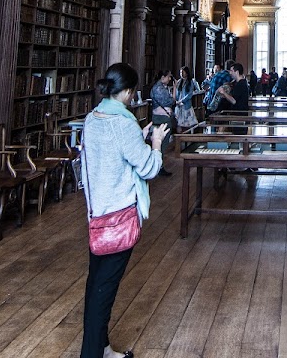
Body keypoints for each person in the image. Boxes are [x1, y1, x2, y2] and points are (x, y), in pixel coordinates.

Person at [80, 63, 168, 358]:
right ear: (128, 91)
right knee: (104, 290)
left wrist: (138, 138)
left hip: (97, 211)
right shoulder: (123, 123)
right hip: (119, 215)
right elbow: (148, 168)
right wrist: (155, 144)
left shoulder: (93, 118)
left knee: (96, 284)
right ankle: (91, 354)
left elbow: (109, 155)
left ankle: (101, 348)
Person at [150, 68, 177, 177]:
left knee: (162, 143)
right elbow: (171, 101)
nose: (170, 78)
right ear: (163, 77)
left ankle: (158, 166)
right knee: (162, 143)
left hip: (161, 117)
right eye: (168, 76)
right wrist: (175, 89)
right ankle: (158, 166)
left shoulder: (159, 88)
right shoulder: (159, 89)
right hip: (162, 118)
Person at [175, 65, 200, 132]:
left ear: (186, 73)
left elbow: (190, 94)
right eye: (180, 72)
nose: (181, 74)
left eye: (183, 72)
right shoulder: (179, 82)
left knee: (188, 123)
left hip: (186, 104)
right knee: (179, 122)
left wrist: (182, 100)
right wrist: (176, 101)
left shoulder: (190, 81)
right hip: (179, 105)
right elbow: (177, 92)